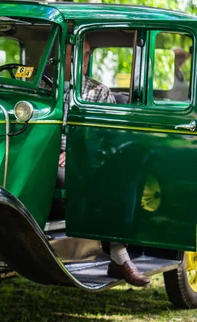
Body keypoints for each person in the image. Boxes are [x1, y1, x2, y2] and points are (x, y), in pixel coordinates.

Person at [60, 38, 150, 287]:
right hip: (47, 157)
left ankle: (120, 257)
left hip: (88, 162)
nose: (84, 60)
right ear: (59, 58)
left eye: (87, 54)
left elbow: (107, 137)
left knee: (121, 174)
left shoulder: (98, 92)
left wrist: (74, 152)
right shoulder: (45, 89)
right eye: (76, 54)